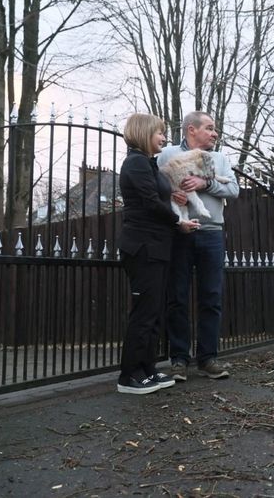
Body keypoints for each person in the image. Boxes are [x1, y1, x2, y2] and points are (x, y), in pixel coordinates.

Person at [117, 113, 200, 394]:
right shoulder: (136, 163)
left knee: (153, 312)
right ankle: (129, 376)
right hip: (143, 248)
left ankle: (148, 370)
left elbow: (159, 195)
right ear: (143, 133)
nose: (164, 138)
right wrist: (178, 221)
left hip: (157, 248)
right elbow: (150, 202)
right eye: (159, 133)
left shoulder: (149, 164)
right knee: (144, 313)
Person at [158, 111, 239, 380]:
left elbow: (234, 190)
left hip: (211, 232)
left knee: (211, 297)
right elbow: (154, 188)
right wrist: (171, 194)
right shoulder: (166, 155)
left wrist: (206, 183)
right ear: (191, 129)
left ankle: (208, 359)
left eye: (215, 129)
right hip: (179, 232)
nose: (215, 133)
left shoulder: (220, 159)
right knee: (177, 296)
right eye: (209, 128)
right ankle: (179, 360)